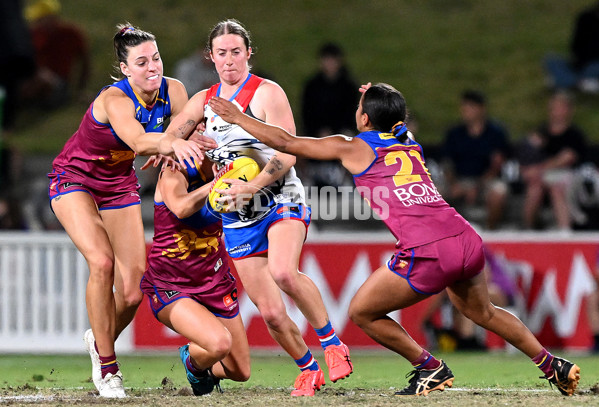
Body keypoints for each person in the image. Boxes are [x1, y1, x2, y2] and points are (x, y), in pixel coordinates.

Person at [209, 82, 581, 397]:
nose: (357, 110)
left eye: (360, 106)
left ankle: (429, 367)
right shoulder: (408, 140)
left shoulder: (355, 147)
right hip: (465, 237)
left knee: (362, 313)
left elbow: (286, 142)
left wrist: (240, 118)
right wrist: (378, 95)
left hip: (428, 250)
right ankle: (553, 365)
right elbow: (395, 119)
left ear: (365, 118)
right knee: (483, 312)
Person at [162, 19, 353, 397]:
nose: (229, 60)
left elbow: (288, 151)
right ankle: (307, 369)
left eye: (236, 52)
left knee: (284, 271)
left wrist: (252, 186)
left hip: (280, 198)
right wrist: (175, 143)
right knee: (270, 313)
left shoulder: (267, 93)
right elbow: (171, 133)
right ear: (210, 57)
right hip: (236, 214)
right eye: (221, 54)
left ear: (249, 54)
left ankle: (332, 343)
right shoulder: (204, 101)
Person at [47, 23, 213, 398]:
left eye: (155, 58)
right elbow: (139, 141)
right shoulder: (115, 100)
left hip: (118, 185)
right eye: (141, 62)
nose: (152, 67)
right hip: (75, 180)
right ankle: (108, 368)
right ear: (125, 69)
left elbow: (181, 129)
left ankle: (98, 337)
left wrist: (190, 137)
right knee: (102, 262)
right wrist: (170, 144)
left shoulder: (174, 89)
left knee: (135, 290)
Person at [141, 158, 250, 395]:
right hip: (172, 284)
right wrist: (216, 183)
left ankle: (200, 367)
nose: (203, 128)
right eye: (198, 123)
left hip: (215, 282)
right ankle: (195, 362)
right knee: (220, 343)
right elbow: (180, 207)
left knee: (241, 371)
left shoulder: (233, 164)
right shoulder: (174, 168)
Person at [441, 90, 511, 230]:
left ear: (481, 109)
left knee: (499, 193)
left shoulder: (495, 134)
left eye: (469, 107)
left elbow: (497, 166)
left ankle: (491, 231)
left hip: (486, 181)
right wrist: (454, 184)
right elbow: (447, 164)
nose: (465, 111)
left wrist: (476, 186)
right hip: (460, 180)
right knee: (431, 194)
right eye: (463, 107)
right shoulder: (454, 134)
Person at [519, 90, 587, 230]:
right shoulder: (541, 132)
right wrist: (531, 170)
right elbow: (527, 155)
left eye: (561, 107)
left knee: (557, 188)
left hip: (569, 176)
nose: (556, 111)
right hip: (543, 175)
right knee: (534, 188)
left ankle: (564, 231)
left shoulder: (574, 135)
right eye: (554, 107)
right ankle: (528, 228)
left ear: (569, 110)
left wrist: (540, 169)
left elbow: (567, 159)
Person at [299, 42, 359, 188]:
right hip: (316, 132)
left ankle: (346, 178)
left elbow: (352, 113)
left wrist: (337, 131)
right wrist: (319, 130)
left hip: (342, 132)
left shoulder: (349, 87)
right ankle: (307, 178)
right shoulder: (312, 86)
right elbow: (307, 112)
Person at [21, 0, 91, 108]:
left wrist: (80, 89)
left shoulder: (70, 33)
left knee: (41, 79)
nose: (37, 24)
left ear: (51, 17)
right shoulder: (35, 35)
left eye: (40, 20)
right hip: (37, 79)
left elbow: (85, 62)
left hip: (60, 84)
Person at [544, 2, 599, 93]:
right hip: (582, 63)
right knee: (550, 60)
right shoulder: (585, 17)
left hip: (595, 65)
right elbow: (575, 46)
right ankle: (579, 82)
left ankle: (565, 81)